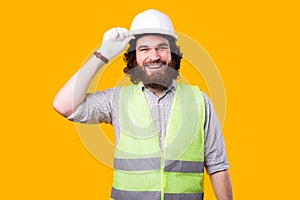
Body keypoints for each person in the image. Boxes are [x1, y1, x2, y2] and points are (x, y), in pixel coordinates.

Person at [53, 8, 232, 200]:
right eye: (144, 49)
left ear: (172, 53)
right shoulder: (116, 100)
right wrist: (102, 54)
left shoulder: (199, 101)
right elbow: (64, 105)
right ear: (134, 57)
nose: (153, 56)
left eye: (162, 47)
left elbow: (217, 165)